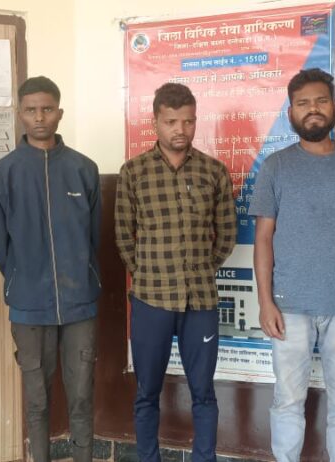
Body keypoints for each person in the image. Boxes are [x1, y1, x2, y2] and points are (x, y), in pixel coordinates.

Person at [249, 68, 335, 462]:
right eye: (303, 103)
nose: (313, 109)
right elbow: (263, 239)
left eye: (321, 101)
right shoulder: (276, 167)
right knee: (287, 400)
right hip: (288, 306)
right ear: (291, 113)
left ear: (334, 107)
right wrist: (265, 302)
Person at [115, 82, 237, 462]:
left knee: (204, 392)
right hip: (150, 300)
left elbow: (226, 234)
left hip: (200, 301)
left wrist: (202, 268)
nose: (180, 130)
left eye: (188, 121)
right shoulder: (134, 172)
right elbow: (123, 235)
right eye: (171, 122)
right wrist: (147, 273)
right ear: (155, 122)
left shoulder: (213, 171)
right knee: (146, 392)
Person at [0, 75, 101, 462]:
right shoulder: (1, 175)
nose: (39, 117)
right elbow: (0, 246)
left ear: (60, 113)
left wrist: (82, 277)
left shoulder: (84, 169)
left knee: (82, 396)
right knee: (37, 401)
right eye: (31, 110)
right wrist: (23, 280)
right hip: (29, 305)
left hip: (80, 303)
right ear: (19, 114)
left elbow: (93, 237)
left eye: (47, 109)